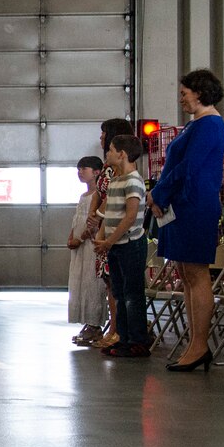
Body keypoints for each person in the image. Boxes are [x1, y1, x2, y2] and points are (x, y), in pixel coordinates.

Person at [150, 69, 224, 372]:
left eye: (184, 93)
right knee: (186, 274)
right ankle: (195, 343)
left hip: (194, 205)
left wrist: (159, 192)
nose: (181, 98)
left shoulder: (210, 124)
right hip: (182, 204)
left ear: (200, 92)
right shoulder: (195, 125)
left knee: (196, 275)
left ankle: (199, 345)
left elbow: (189, 166)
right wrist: (162, 193)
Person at [93, 134, 150, 358]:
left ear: (122, 154)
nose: (107, 154)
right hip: (115, 245)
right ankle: (123, 339)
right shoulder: (116, 181)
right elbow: (109, 214)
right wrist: (102, 236)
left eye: (110, 150)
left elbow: (130, 217)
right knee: (119, 292)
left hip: (131, 244)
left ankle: (138, 340)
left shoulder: (134, 180)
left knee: (132, 294)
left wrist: (109, 240)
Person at [88, 118, 136, 350]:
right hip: (105, 229)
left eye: (104, 133)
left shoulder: (120, 172)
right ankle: (115, 329)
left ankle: (119, 331)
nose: (101, 138)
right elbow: (99, 193)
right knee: (112, 285)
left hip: (114, 233)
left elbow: (112, 201)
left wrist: (97, 215)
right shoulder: (110, 170)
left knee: (117, 286)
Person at [67, 156, 107, 345]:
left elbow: (94, 224)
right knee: (80, 282)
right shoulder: (83, 196)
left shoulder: (98, 196)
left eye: (84, 169)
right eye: (79, 169)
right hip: (79, 246)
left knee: (93, 283)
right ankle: (86, 322)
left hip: (91, 244)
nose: (80, 172)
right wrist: (71, 237)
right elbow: (78, 219)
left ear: (97, 172)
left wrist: (80, 238)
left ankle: (95, 324)